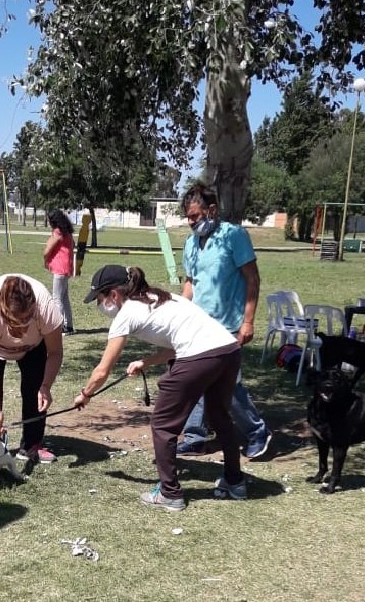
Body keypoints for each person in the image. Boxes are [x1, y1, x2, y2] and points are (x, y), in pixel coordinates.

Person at [73, 265, 244, 511]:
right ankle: (235, 482)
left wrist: (85, 394)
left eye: (99, 298)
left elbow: (102, 370)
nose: (100, 305)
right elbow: (181, 341)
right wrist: (145, 362)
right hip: (228, 351)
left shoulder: (127, 314)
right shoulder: (163, 297)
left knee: (163, 425)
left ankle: (170, 494)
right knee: (220, 418)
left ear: (113, 294)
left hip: (199, 356)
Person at [177, 183, 272, 458]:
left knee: (229, 386)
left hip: (228, 325)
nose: (191, 222)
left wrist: (248, 321)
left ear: (212, 210)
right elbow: (190, 282)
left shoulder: (234, 236)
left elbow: (252, 278)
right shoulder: (191, 243)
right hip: (198, 325)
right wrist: (180, 314)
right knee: (194, 379)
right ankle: (195, 435)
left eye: (195, 216)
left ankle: (257, 432)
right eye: (188, 217)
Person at [0, 274, 64, 463]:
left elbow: (55, 353)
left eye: (26, 321)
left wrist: (45, 386)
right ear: (3, 312)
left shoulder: (46, 309)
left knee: (35, 389)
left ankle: (32, 445)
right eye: (14, 324)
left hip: (34, 347)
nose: (21, 331)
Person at [43, 209, 75, 335]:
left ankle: (59, 327)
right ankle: (69, 326)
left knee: (57, 298)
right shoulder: (68, 232)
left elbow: (47, 251)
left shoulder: (58, 232)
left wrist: (46, 260)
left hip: (59, 269)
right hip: (67, 268)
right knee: (64, 298)